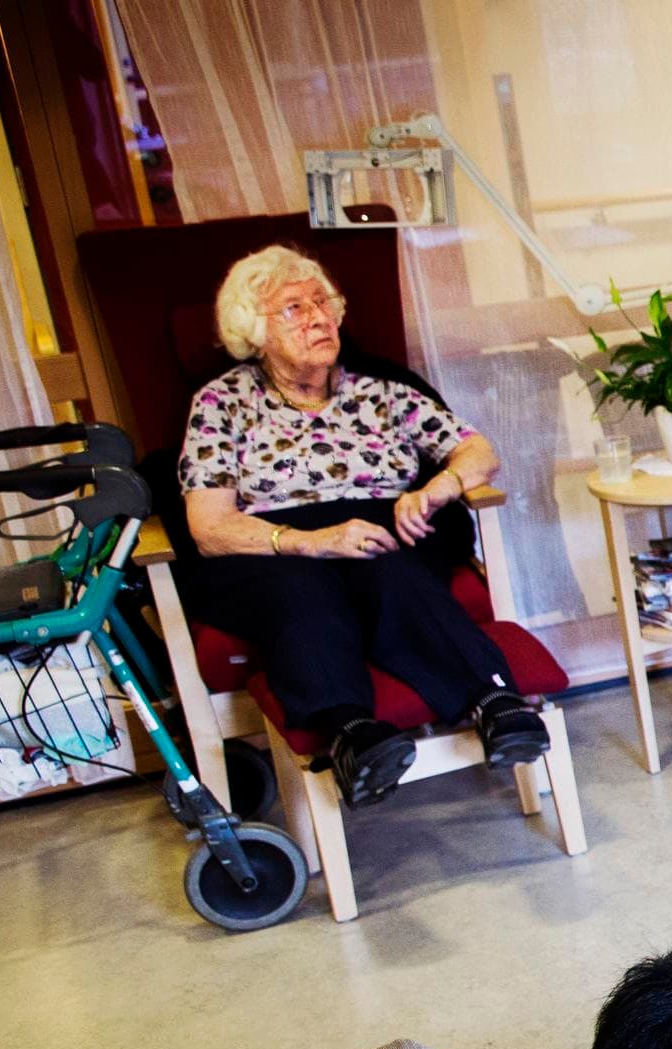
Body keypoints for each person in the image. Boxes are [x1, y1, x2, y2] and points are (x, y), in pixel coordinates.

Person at [177, 245, 548, 806]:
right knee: (300, 589)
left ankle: (496, 703)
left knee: (392, 570)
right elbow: (208, 525)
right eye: (294, 308)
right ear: (255, 331)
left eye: (322, 301)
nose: (318, 317)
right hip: (272, 551)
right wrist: (311, 543)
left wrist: (435, 489)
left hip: (380, 534)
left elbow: (477, 451)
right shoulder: (221, 403)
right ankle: (354, 734)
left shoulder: (382, 391)